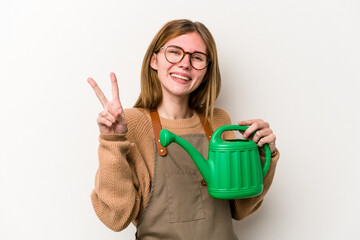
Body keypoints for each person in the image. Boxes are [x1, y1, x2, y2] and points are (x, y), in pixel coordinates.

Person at [88, 19, 279, 239]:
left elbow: (240, 209)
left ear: (206, 71)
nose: (185, 63)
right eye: (174, 52)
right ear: (154, 60)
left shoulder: (218, 120)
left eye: (197, 57)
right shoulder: (131, 123)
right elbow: (116, 218)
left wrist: (265, 156)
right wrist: (112, 141)